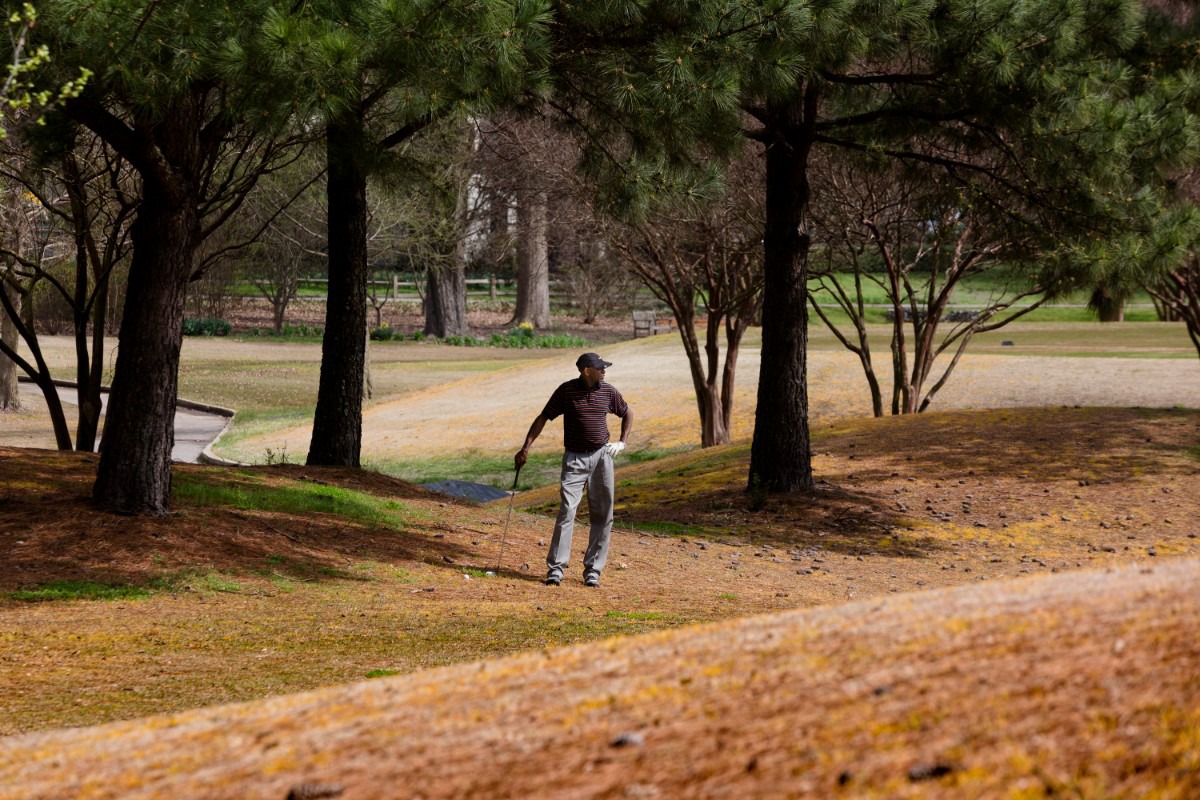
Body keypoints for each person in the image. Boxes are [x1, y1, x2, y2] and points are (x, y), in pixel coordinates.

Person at [515, 352, 634, 587]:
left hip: (602, 457)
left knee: (603, 514)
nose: (604, 371)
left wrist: (622, 441)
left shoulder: (608, 391)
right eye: (600, 368)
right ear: (586, 370)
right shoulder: (566, 391)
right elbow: (543, 417)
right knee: (567, 511)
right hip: (574, 459)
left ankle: (593, 571)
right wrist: (525, 447)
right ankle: (556, 570)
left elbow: (627, 412)